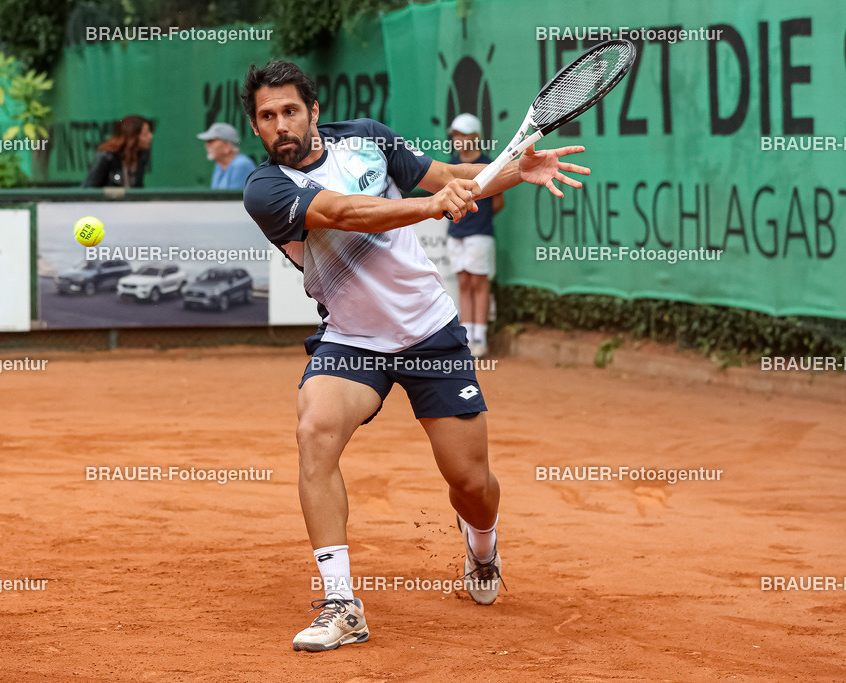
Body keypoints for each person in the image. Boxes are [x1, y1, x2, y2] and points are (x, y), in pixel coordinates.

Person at [240, 60, 589, 653]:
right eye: (267, 117)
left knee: (470, 481)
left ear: (314, 111)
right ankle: (341, 603)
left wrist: (513, 171)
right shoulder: (266, 189)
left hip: (430, 331)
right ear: (256, 127)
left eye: (290, 111)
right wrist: (432, 208)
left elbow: (452, 175)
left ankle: (482, 545)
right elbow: (345, 213)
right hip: (353, 340)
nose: (281, 125)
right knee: (315, 430)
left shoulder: (370, 140)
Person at [446, 113, 504, 357]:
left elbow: (498, 203)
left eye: (463, 135)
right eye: (455, 135)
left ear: (475, 137)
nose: (458, 140)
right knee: (463, 282)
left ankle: (480, 338)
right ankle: (467, 338)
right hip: (455, 233)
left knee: (479, 283)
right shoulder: (450, 165)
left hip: (480, 234)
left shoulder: (489, 165)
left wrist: (477, 219)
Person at [81, 115, 154, 188]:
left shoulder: (141, 157)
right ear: (133, 137)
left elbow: (138, 189)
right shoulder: (106, 156)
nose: (150, 136)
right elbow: (90, 188)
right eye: (146, 134)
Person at [196, 122, 256, 189]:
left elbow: (235, 199)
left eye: (211, 141)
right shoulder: (219, 165)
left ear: (227, 147)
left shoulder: (241, 165)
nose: (207, 145)